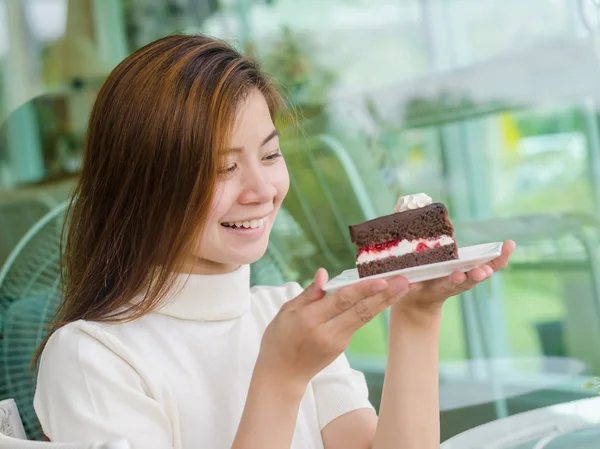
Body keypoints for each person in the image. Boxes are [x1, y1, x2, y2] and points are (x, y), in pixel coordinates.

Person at [32, 34, 515, 449]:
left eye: (269, 155)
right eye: (224, 167)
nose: (261, 190)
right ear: (143, 182)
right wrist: (281, 378)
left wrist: (416, 314)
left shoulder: (285, 311)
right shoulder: (92, 358)